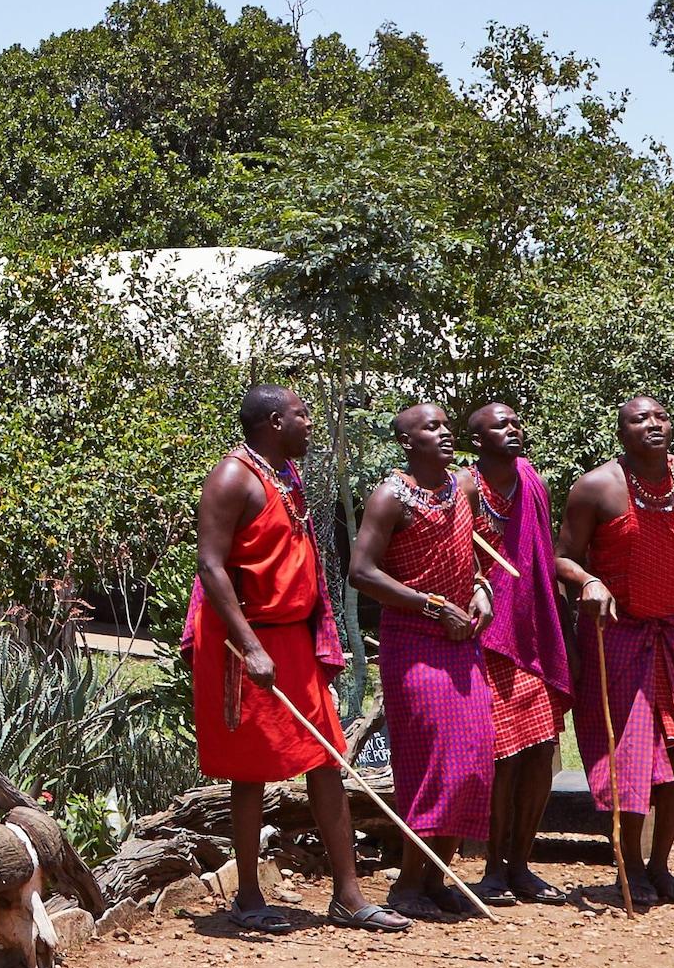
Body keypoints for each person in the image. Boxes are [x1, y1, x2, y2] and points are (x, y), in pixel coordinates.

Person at [186, 384, 410, 934]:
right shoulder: (232, 477)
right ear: (271, 422)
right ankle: (246, 895)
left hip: (291, 640)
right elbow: (212, 567)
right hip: (245, 644)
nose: (310, 423)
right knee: (249, 772)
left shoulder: (286, 474)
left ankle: (349, 895)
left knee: (328, 757)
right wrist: (253, 646)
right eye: (301, 415)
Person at [555, 395, 674, 904]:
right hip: (616, 639)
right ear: (621, 433)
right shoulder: (596, 488)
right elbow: (559, 559)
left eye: (660, 416)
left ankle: (659, 866)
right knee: (628, 755)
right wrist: (588, 580)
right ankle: (627, 867)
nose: (653, 424)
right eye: (639, 419)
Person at [350, 403, 495, 919]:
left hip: (462, 640)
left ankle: (436, 879)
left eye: (446, 426)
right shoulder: (390, 497)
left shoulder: (465, 487)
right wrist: (430, 604)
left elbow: (471, 552)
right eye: (430, 428)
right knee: (435, 764)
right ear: (407, 442)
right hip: (414, 642)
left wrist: (480, 589)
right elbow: (361, 573)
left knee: (474, 760)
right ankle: (408, 885)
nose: (444, 434)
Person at [467, 402, 574, 906]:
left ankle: (522, 864)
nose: (514, 428)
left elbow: (543, 553)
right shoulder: (465, 489)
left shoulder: (532, 481)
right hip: (486, 638)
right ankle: (491, 867)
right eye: (500, 425)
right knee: (502, 756)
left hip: (532, 632)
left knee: (539, 751)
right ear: (477, 441)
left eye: (516, 421)